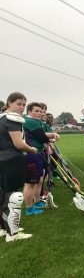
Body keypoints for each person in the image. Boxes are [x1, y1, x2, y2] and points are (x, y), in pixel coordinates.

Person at [0, 92, 37, 242]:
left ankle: (3, 228)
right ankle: (12, 234)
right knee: (14, 196)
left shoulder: (1, 118)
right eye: (18, 104)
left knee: (3, 194)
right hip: (13, 159)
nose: (21, 107)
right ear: (9, 103)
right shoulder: (12, 119)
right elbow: (19, 144)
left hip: (2, 159)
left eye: (23, 104)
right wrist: (32, 149)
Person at [23, 102, 59, 215]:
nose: (39, 113)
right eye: (36, 111)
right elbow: (42, 137)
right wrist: (51, 138)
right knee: (30, 182)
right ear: (29, 111)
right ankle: (29, 208)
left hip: (38, 153)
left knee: (39, 180)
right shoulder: (30, 121)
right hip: (32, 154)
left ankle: (37, 201)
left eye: (40, 111)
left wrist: (51, 135)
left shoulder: (35, 121)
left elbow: (42, 135)